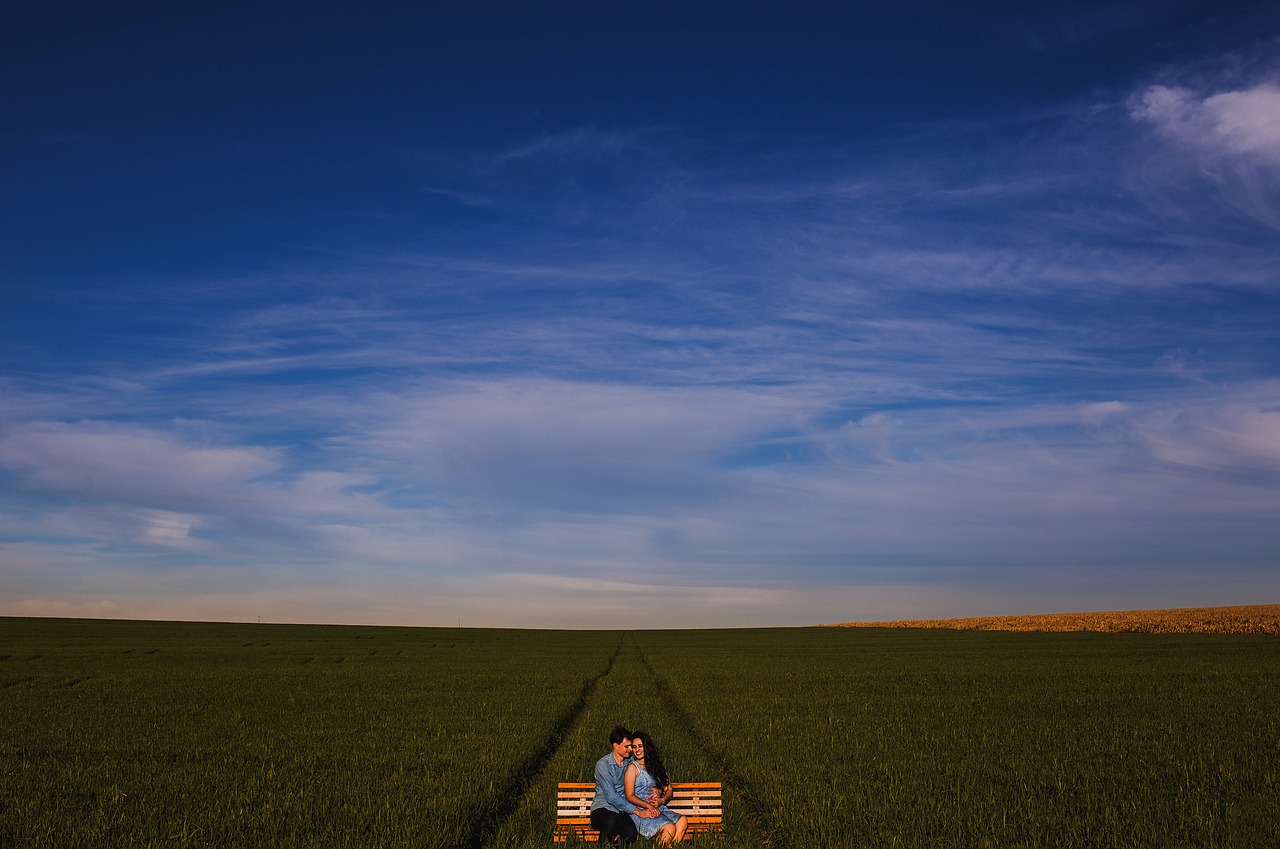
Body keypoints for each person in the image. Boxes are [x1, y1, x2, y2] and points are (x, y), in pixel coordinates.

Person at [591, 726, 658, 844]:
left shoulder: (631, 762)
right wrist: (637, 811)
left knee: (631, 832)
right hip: (603, 809)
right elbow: (611, 796)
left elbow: (648, 772)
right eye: (627, 746)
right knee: (610, 823)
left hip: (622, 811)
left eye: (630, 746)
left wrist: (658, 789)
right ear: (616, 746)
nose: (630, 750)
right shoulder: (603, 765)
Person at [624, 731, 688, 844]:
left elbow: (669, 789)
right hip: (642, 812)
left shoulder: (656, 766)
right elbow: (629, 796)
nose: (637, 750)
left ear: (646, 747)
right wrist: (648, 805)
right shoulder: (632, 768)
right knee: (669, 828)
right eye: (634, 747)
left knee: (682, 821)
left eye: (640, 746)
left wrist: (662, 800)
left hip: (659, 808)